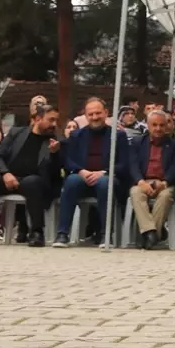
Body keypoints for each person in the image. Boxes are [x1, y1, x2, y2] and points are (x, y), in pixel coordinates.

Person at [0, 105, 63, 245]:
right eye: (51, 120)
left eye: (56, 120)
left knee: (32, 182)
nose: (54, 124)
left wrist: (54, 153)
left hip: (35, 182)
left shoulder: (55, 141)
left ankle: (37, 232)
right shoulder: (16, 133)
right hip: (9, 177)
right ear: (37, 119)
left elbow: (55, 172)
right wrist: (6, 173)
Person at [54, 98, 131, 248]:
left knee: (104, 183)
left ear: (106, 113)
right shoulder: (76, 135)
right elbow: (68, 160)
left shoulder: (118, 135)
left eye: (98, 113)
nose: (95, 117)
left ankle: (105, 235)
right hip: (82, 177)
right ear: (86, 116)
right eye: (91, 114)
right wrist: (81, 171)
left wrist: (104, 172)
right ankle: (62, 233)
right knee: (71, 181)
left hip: (108, 178)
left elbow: (124, 163)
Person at [128, 110, 175, 251]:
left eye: (162, 125)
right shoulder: (137, 142)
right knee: (135, 193)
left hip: (165, 183)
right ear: (148, 125)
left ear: (166, 126)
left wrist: (164, 183)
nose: (158, 128)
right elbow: (132, 165)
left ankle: (147, 235)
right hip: (142, 181)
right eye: (154, 125)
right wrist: (141, 182)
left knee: (166, 196)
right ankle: (152, 233)